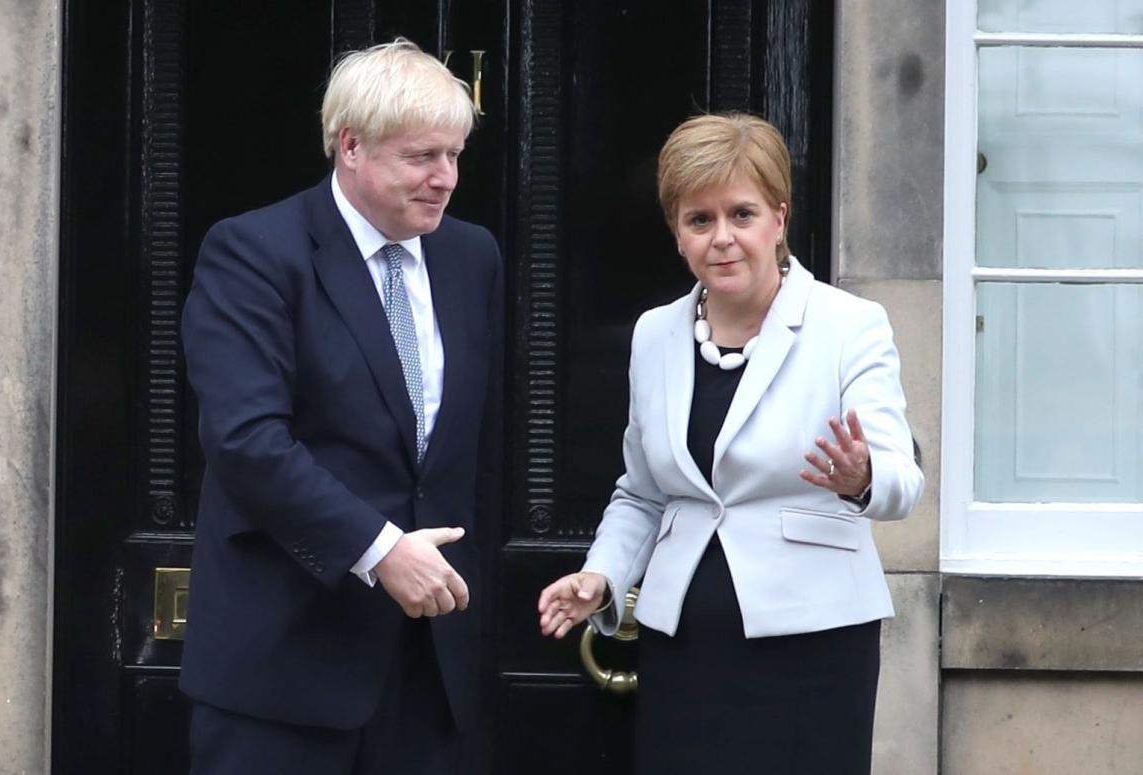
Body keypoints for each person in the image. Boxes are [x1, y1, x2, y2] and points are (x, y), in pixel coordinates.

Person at [537, 113, 923, 774]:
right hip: (683, 643)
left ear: (779, 218)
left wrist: (862, 476)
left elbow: (901, 479)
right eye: (699, 219)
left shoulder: (848, 325)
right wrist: (600, 576)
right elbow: (642, 490)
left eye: (741, 214)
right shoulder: (655, 334)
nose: (722, 238)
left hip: (813, 643)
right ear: (676, 233)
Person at [180, 39, 502, 774]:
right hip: (282, 670)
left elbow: (476, 453)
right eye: (422, 157)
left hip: (432, 677)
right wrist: (382, 549)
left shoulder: (471, 255)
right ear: (351, 146)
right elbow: (245, 441)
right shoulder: (255, 252)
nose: (445, 179)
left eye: (454, 155)